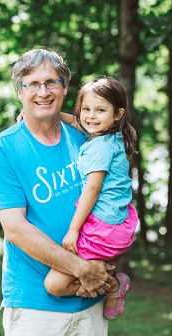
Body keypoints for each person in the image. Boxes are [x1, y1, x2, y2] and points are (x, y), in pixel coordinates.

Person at [0, 48, 120, 336]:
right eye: (32, 84)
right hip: (35, 304)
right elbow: (15, 230)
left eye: (51, 83)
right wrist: (81, 269)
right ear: (19, 92)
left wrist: (93, 272)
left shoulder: (86, 138)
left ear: (64, 88)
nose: (42, 92)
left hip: (89, 304)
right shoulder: (3, 149)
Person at [45, 77, 139, 321]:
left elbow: (92, 190)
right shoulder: (110, 136)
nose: (91, 116)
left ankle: (111, 286)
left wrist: (73, 230)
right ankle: (105, 282)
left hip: (103, 229)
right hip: (119, 224)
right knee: (79, 274)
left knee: (54, 284)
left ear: (117, 114)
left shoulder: (100, 147)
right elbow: (78, 122)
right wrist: (48, 116)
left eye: (100, 110)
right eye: (86, 109)